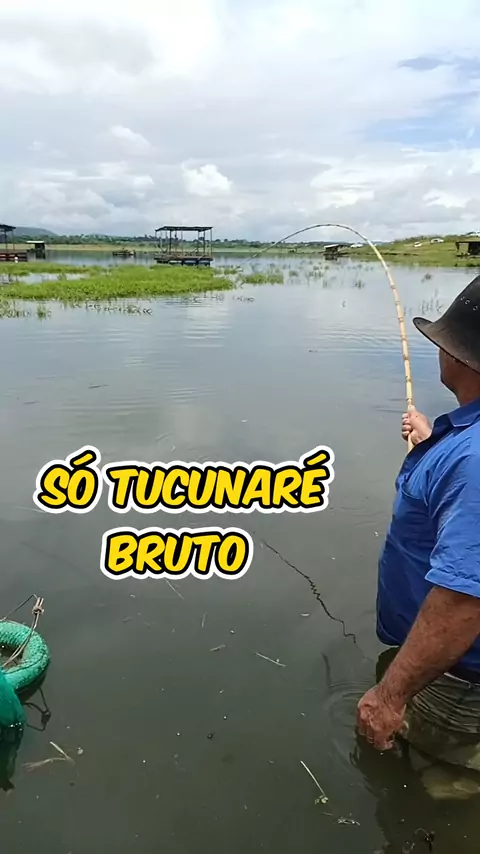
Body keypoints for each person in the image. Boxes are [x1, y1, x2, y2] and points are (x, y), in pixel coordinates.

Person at [357, 273, 480, 772]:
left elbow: (465, 598)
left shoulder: (474, 460)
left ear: (460, 357)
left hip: (460, 683)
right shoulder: (466, 447)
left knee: (442, 785)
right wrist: (436, 446)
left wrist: (389, 697)